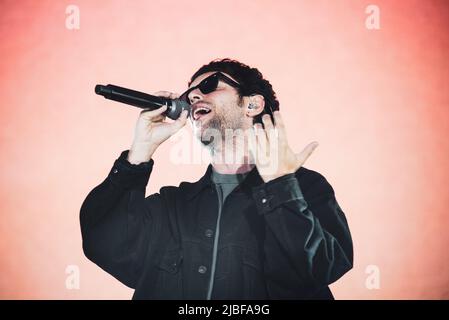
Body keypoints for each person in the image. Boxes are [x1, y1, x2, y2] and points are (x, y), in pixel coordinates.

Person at [80, 58, 353, 299]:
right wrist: (139, 152)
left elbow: (324, 267)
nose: (194, 96)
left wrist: (280, 186)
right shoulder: (172, 206)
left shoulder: (305, 189)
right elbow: (103, 243)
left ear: (252, 104)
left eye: (210, 85)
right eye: (189, 96)